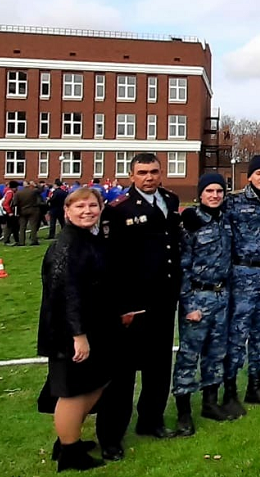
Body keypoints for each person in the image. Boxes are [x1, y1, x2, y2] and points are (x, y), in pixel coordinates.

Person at [96, 153, 183, 461]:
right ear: (131, 175)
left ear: (161, 174)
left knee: (159, 366)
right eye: (142, 172)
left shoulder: (170, 201)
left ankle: (151, 420)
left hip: (163, 299)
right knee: (122, 374)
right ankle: (111, 436)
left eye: (154, 171)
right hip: (133, 304)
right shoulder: (118, 210)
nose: (149, 177)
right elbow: (111, 262)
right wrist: (122, 305)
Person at [36, 187, 115, 471]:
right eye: (79, 207)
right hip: (69, 332)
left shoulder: (87, 239)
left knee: (96, 382)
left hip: (91, 326)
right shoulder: (67, 246)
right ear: (66, 212)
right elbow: (65, 293)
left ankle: (68, 437)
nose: (87, 211)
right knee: (72, 391)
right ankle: (69, 451)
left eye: (92, 206)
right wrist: (78, 336)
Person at [172, 174, 236, 437]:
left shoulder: (226, 220)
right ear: (200, 194)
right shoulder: (191, 223)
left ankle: (210, 402)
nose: (215, 195)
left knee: (216, 354)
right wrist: (188, 305)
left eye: (219, 190)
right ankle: (184, 413)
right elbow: (182, 268)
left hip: (222, 296)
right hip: (197, 297)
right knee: (189, 355)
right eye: (209, 190)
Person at [223, 155, 260, 412]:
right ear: (249, 176)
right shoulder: (233, 202)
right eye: (258, 173)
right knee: (237, 336)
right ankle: (229, 392)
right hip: (242, 275)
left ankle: (255, 387)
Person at [16, 180, 44, 246]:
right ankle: (33, 240)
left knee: (22, 227)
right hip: (33, 210)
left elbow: (15, 203)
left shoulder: (18, 193)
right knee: (33, 226)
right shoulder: (33, 191)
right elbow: (41, 190)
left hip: (22, 210)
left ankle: (21, 241)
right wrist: (35, 185)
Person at [2, 181, 21, 245]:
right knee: (13, 227)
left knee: (11, 226)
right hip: (11, 212)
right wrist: (9, 212)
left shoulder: (8, 192)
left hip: (9, 212)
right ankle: (13, 240)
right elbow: (5, 203)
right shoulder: (10, 193)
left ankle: (9, 240)